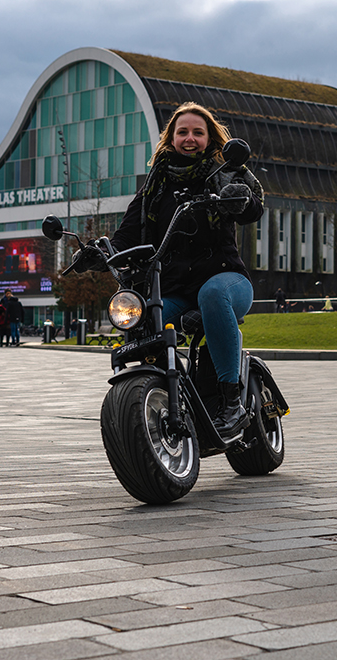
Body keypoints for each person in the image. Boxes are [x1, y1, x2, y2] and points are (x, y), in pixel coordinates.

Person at [110, 101, 264, 435]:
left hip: (227, 280)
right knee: (148, 315)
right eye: (183, 132)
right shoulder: (156, 185)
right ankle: (169, 394)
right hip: (178, 290)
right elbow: (127, 233)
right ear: (171, 138)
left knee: (212, 294)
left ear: (210, 138)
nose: (190, 138)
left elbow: (252, 208)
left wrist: (241, 198)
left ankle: (231, 403)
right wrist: (100, 251)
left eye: (198, 132)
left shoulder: (223, 173)